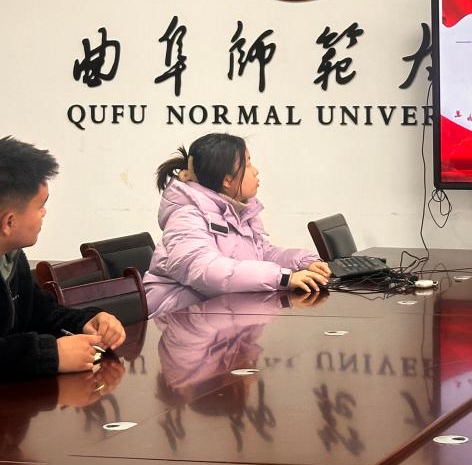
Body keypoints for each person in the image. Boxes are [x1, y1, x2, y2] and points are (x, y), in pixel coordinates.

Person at [144, 133, 331, 316]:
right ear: (227, 180)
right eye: (248, 164)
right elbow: (206, 271)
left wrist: (305, 262)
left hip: (218, 314)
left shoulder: (235, 211)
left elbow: (262, 253)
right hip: (179, 318)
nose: (256, 171)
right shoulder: (187, 217)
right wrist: (282, 277)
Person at [0, 136, 126, 380]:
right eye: (40, 205)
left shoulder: (11, 258)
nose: (44, 213)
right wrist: (49, 354)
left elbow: (42, 313)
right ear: (9, 222)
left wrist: (85, 321)